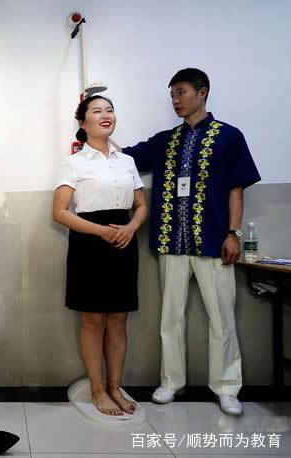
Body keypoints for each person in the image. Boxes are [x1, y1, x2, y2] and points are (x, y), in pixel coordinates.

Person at [115, 68, 261, 416]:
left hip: (214, 242)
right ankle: (171, 382)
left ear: (202, 92)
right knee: (170, 318)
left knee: (222, 318)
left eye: (181, 92)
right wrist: (96, 135)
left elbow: (236, 189)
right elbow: (125, 157)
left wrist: (233, 233)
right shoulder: (165, 141)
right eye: (172, 95)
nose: (176, 100)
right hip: (170, 241)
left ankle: (227, 388)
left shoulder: (229, 137)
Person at [53, 95, 148, 416]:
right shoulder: (74, 162)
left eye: (109, 110)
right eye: (97, 111)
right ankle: (97, 389)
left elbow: (141, 206)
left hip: (124, 241)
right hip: (89, 244)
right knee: (93, 319)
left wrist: (131, 227)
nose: (106, 115)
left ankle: (115, 387)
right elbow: (60, 212)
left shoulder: (127, 161)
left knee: (119, 318)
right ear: (83, 122)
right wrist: (100, 232)